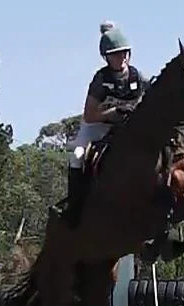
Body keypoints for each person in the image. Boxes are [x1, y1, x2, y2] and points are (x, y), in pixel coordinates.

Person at [54, 20, 150, 228]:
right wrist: (113, 112)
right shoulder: (100, 79)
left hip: (125, 128)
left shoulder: (137, 76)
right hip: (97, 125)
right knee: (77, 156)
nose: (122, 57)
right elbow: (89, 115)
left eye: (125, 52)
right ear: (107, 57)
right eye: (116, 54)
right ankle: (74, 206)